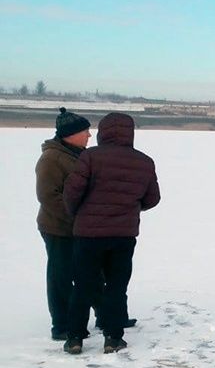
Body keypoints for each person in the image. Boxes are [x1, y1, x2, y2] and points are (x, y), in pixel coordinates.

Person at [61, 112, 160, 354]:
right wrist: (130, 207)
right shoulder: (144, 162)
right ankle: (113, 338)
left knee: (83, 285)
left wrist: (79, 213)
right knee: (116, 286)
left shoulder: (89, 157)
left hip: (88, 234)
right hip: (123, 235)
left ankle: (74, 338)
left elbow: (72, 193)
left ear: (103, 132)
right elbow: (152, 198)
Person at [36, 108, 91, 341]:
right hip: (58, 228)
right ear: (71, 134)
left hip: (78, 228)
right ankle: (61, 325)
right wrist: (76, 218)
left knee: (85, 274)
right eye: (86, 131)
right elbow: (48, 196)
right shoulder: (51, 158)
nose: (89, 136)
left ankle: (79, 320)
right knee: (60, 276)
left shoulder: (77, 154)